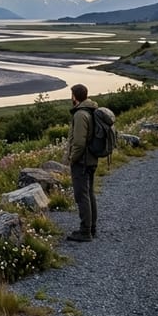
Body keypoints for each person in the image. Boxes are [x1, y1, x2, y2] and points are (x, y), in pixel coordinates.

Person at [64, 83, 98, 242]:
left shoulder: (80, 115)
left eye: (71, 94)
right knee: (89, 193)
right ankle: (92, 228)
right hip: (91, 159)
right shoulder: (91, 110)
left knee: (81, 195)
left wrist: (72, 159)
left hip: (82, 161)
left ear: (75, 97)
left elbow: (78, 142)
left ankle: (85, 232)